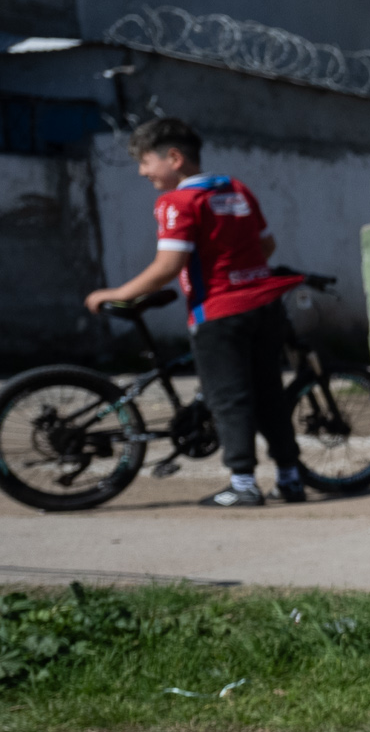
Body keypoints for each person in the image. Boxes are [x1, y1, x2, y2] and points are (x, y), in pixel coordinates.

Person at [83, 117, 308, 508]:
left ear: (173, 158)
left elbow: (168, 266)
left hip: (219, 312)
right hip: (263, 305)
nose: (142, 171)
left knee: (229, 398)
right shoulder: (236, 189)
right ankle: (289, 479)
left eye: (145, 162)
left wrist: (118, 292)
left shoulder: (177, 202)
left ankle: (242, 484)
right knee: (269, 394)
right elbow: (266, 246)